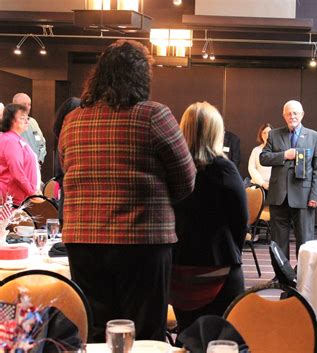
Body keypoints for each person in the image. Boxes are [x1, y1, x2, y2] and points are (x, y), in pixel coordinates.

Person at [58, 40, 196, 342]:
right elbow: (187, 180)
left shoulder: (72, 121)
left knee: (96, 332)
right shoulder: (154, 115)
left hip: (83, 241)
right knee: (145, 333)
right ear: (141, 77)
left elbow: (67, 170)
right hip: (142, 241)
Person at [171, 102, 248, 332]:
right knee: (222, 339)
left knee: (188, 336)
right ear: (216, 133)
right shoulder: (224, 170)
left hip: (179, 272)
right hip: (220, 269)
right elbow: (241, 222)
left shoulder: (172, 169)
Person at [260, 100, 317, 259]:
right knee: (278, 241)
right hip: (279, 196)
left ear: (302, 115)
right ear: (284, 115)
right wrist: (284, 155)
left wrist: (315, 196)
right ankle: (282, 276)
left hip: (304, 197)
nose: (292, 116)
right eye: (289, 113)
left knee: (304, 241)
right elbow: (263, 158)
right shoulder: (274, 135)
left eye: (295, 113)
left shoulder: (315, 137)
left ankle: (302, 276)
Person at [0, 103, 40, 205]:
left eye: (27, 118)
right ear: (12, 120)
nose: (27, 121)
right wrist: (32, 192)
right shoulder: (10, 140)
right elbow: (17, 172)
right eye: (22, 118)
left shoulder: (18, 139)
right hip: (11, 199)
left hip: (20, 197)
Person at [53, 97, 81, 226]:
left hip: (68, 205)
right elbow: (61, 173)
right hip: (71, 206)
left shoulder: (62, 137)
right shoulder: (68, 138)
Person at [12, 93, 47, 166]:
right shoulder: (7, 124)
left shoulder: (33, 122)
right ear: (14, 105)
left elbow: (42, 144)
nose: (27, 107)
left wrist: (39, 161)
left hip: (35, 168)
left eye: (29, 104)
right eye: (24, 104)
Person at [248, 123, 273, 190]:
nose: (266, 135)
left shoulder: (278, 150)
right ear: (261, 135)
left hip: (274, 187)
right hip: (258, 186)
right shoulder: (256, 150)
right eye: (264, 133)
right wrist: (262, 183)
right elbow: (251, 168)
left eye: (269, 132)